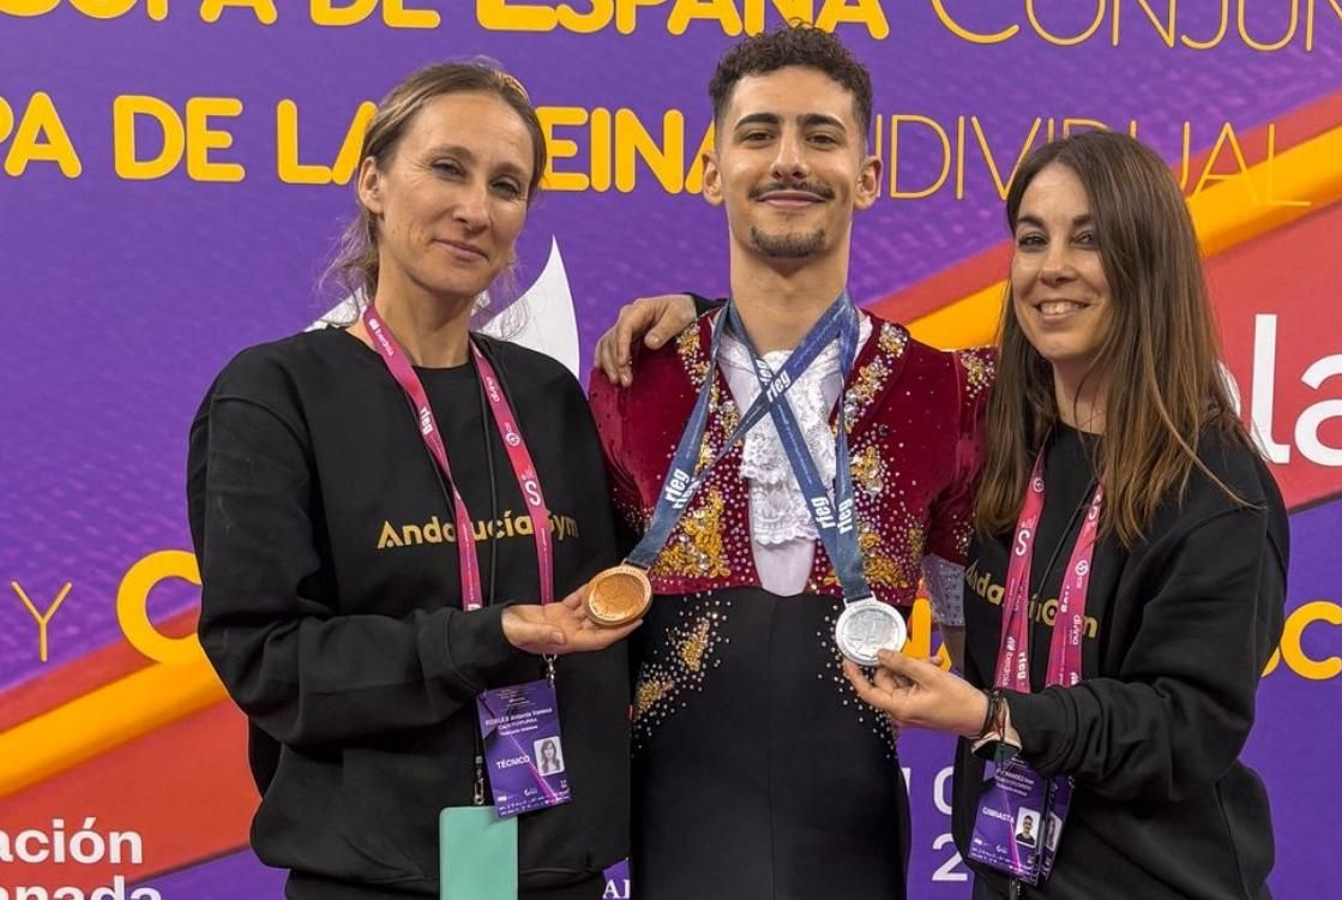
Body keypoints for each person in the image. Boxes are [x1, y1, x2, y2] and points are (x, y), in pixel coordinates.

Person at [188, 60, 634, 900]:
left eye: (507, 185)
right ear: (373, 183)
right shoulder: (275, 394)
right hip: (371, 875)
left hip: (555, 870)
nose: (476, 209)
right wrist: (486, 638)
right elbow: (267, 660)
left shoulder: (547, 396)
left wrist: (696, 317)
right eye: (447, 168)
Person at [586, 26, 987, 900]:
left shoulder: (946, 392)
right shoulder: (633, 382)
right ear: (711, 169)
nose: (790, 160)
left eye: (821, 134)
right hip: (675, 845)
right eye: (760, 133)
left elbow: (980, 657)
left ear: (868, 176)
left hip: (854, 848)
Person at [842, 132, 1289, 899]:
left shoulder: (1217, 488)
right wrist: (699, 319)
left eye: (1088, 239)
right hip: (1011, 876)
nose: (1051, 267)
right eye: (1032, 239)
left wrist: (998, 716)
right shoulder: (1000, 444)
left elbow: (1184, 727)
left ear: (1149, 263)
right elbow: (835, 364)